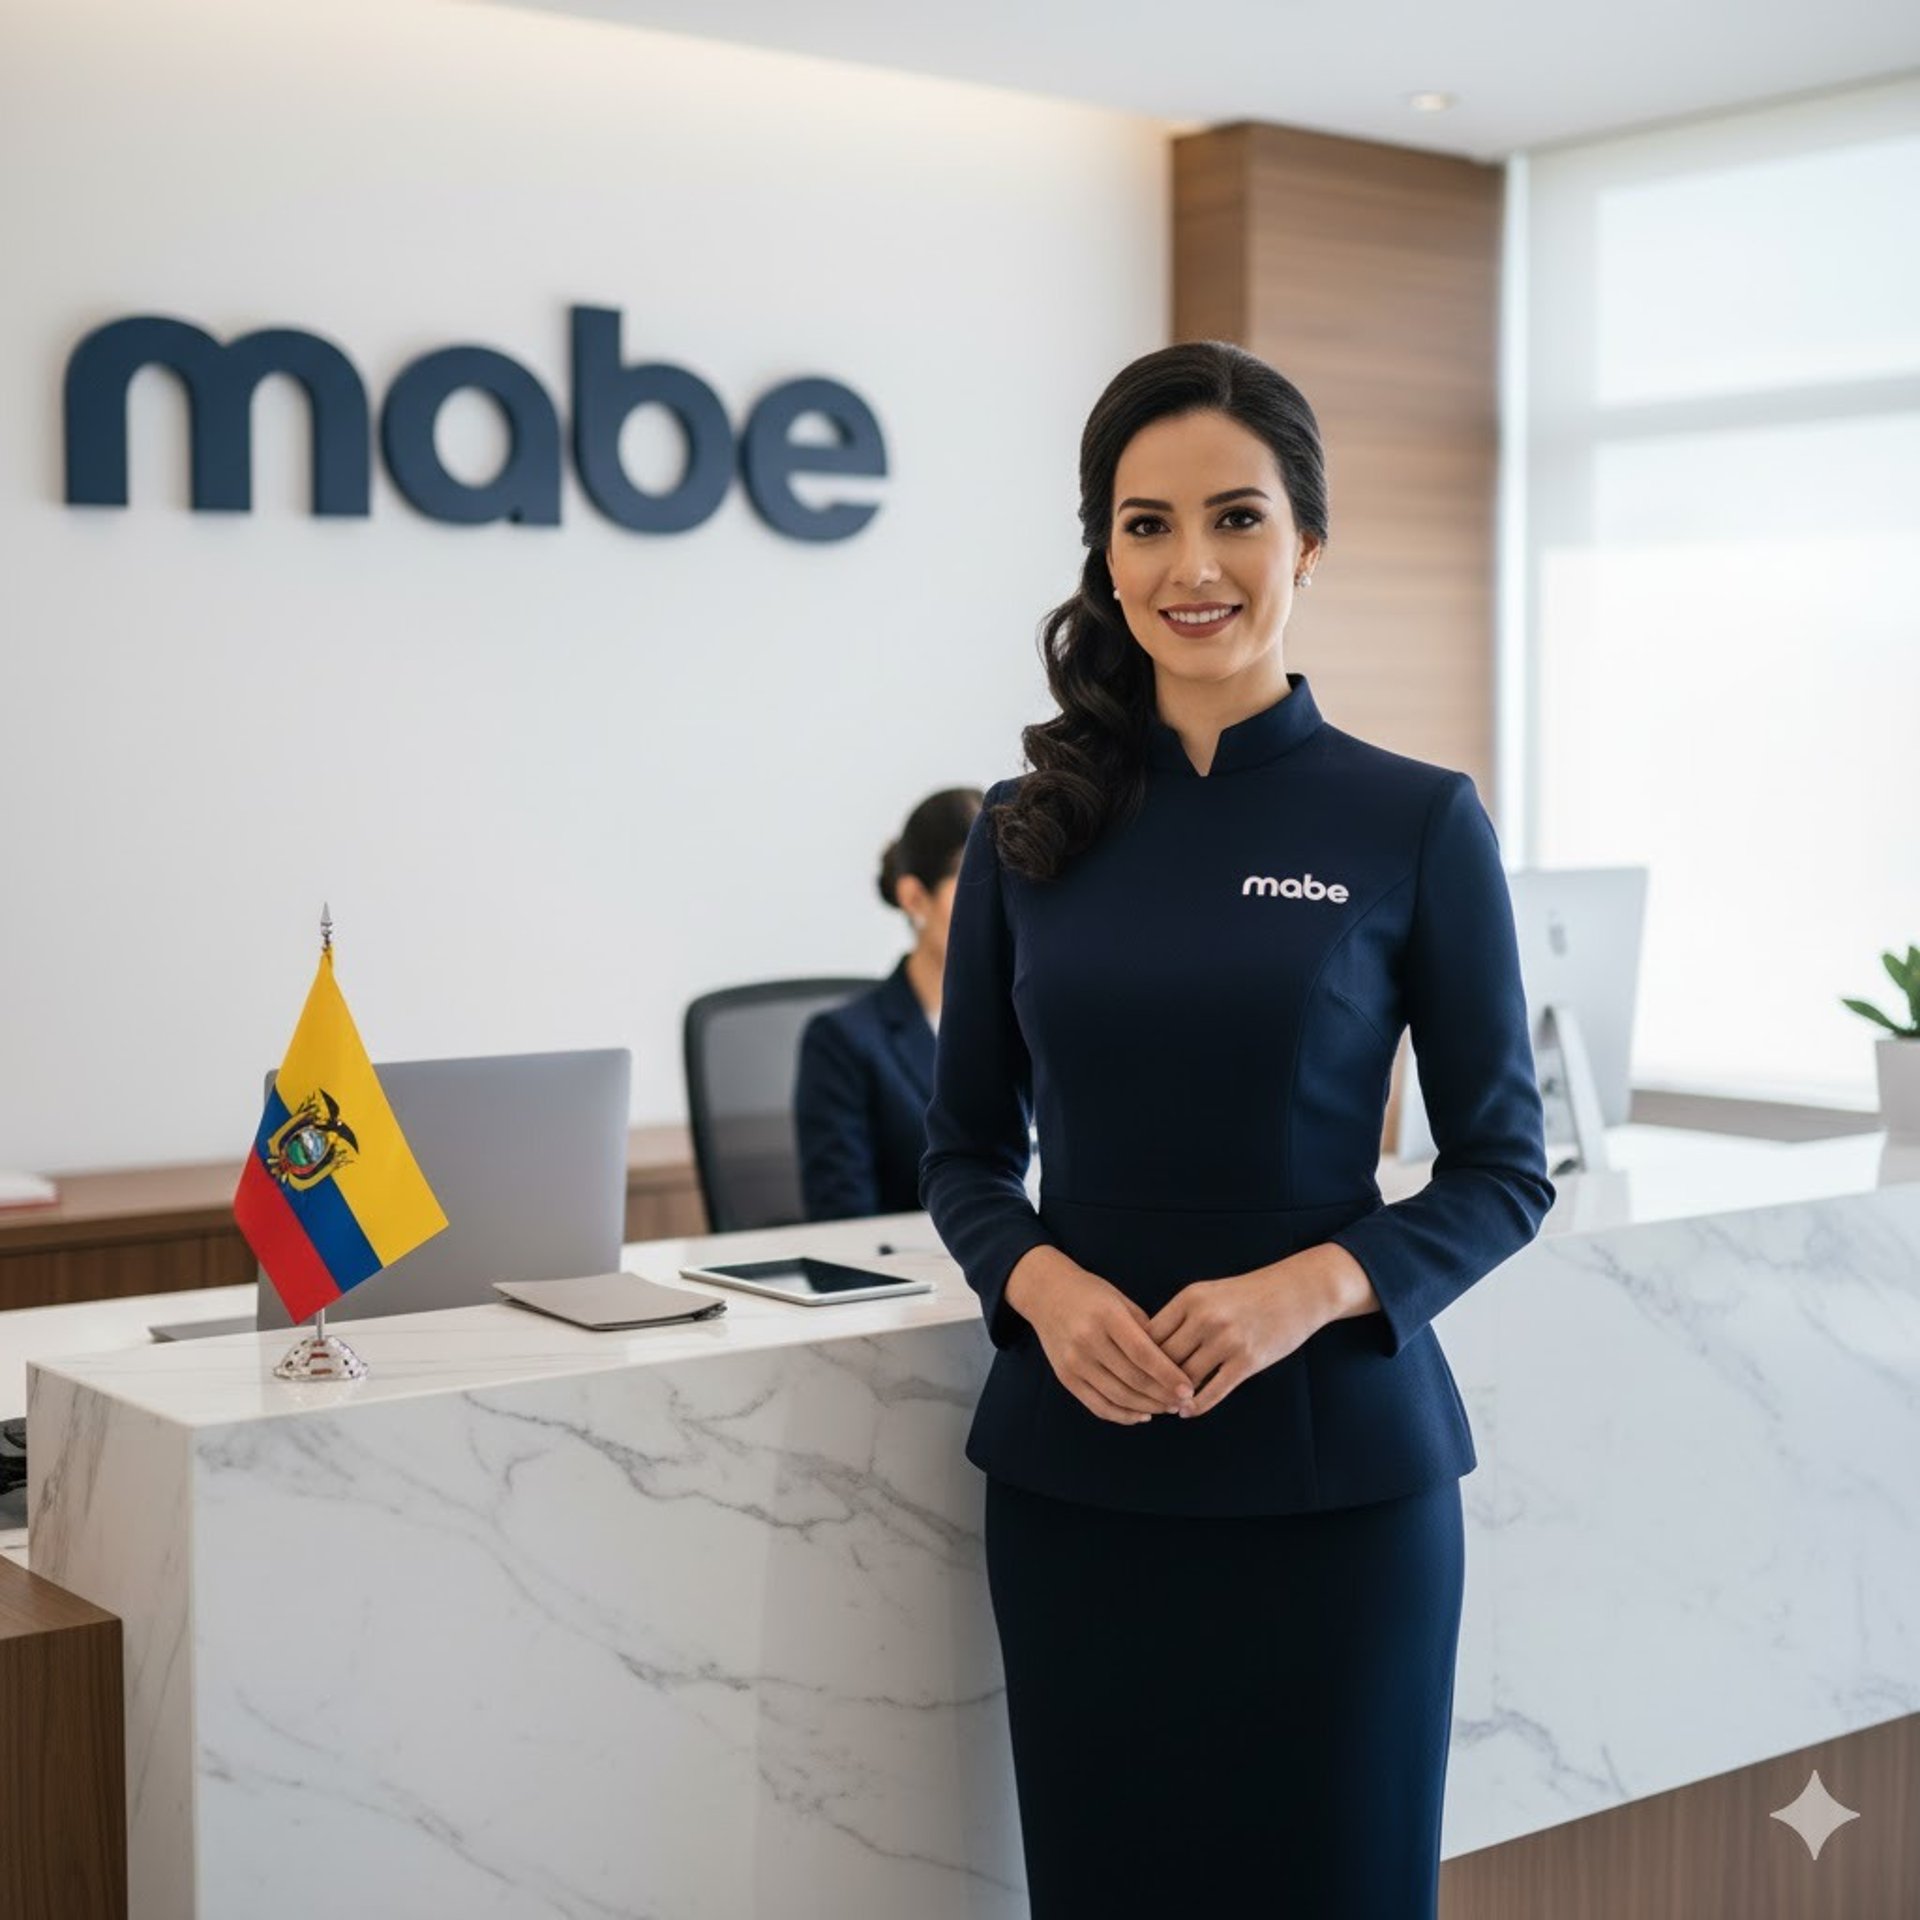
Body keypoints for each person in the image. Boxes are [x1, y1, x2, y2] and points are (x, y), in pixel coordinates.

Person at [919, 341, 1555, 1917]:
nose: (1191, 566)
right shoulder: (1024, 832)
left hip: (1340, 1486)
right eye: (1144, 525)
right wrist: (1046, 1289)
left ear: (1307, 544)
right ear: (1105, 557)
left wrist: (1310, 1285)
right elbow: (965, 1157)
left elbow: (1500, 1171)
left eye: (1235, 518)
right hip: (1081, 1482)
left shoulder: (1415, 820)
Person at [794, 786, 983, 1220]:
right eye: (975, 888)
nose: (999, 911)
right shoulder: (843, 1041)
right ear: (915, 898)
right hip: (923, 1278)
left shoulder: (1038, 1022)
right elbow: (843, 1225)